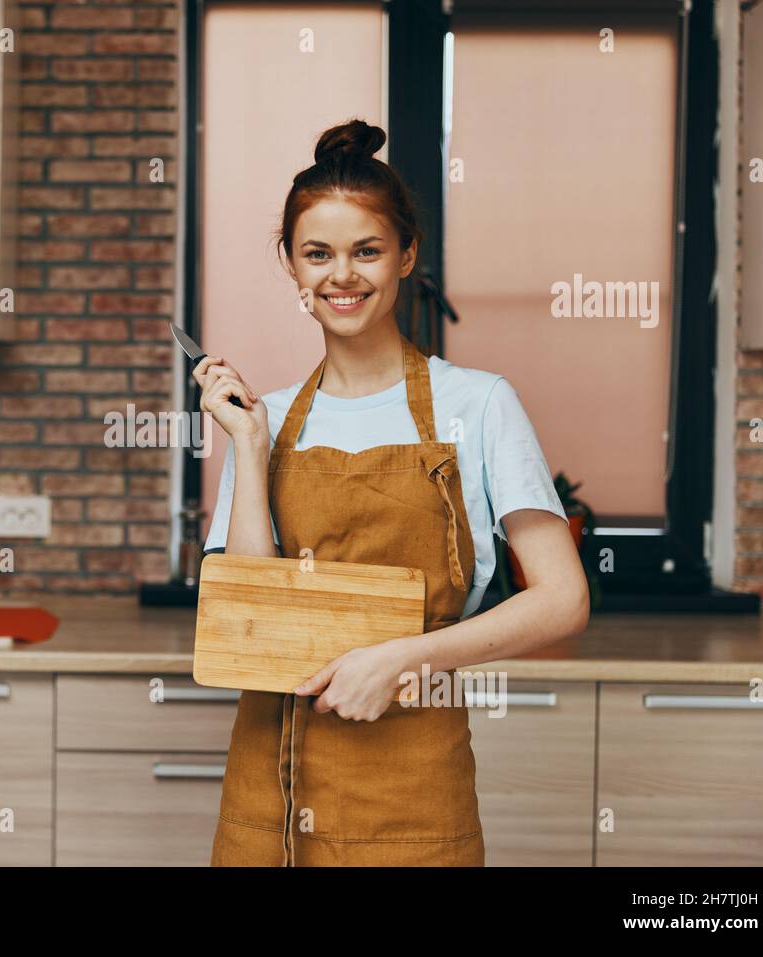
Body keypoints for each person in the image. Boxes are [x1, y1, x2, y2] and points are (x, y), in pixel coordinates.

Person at [197, 118, 589, 866]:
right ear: (291, 264)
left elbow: (564, 597)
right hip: (269, 784)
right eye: (318, 253)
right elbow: (251, 613)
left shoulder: (478, 404)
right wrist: (247, 449)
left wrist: (406, 660)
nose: (341, 275)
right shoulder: (266, 418)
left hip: (413, 786)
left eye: (366, 250)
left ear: (406, 254)